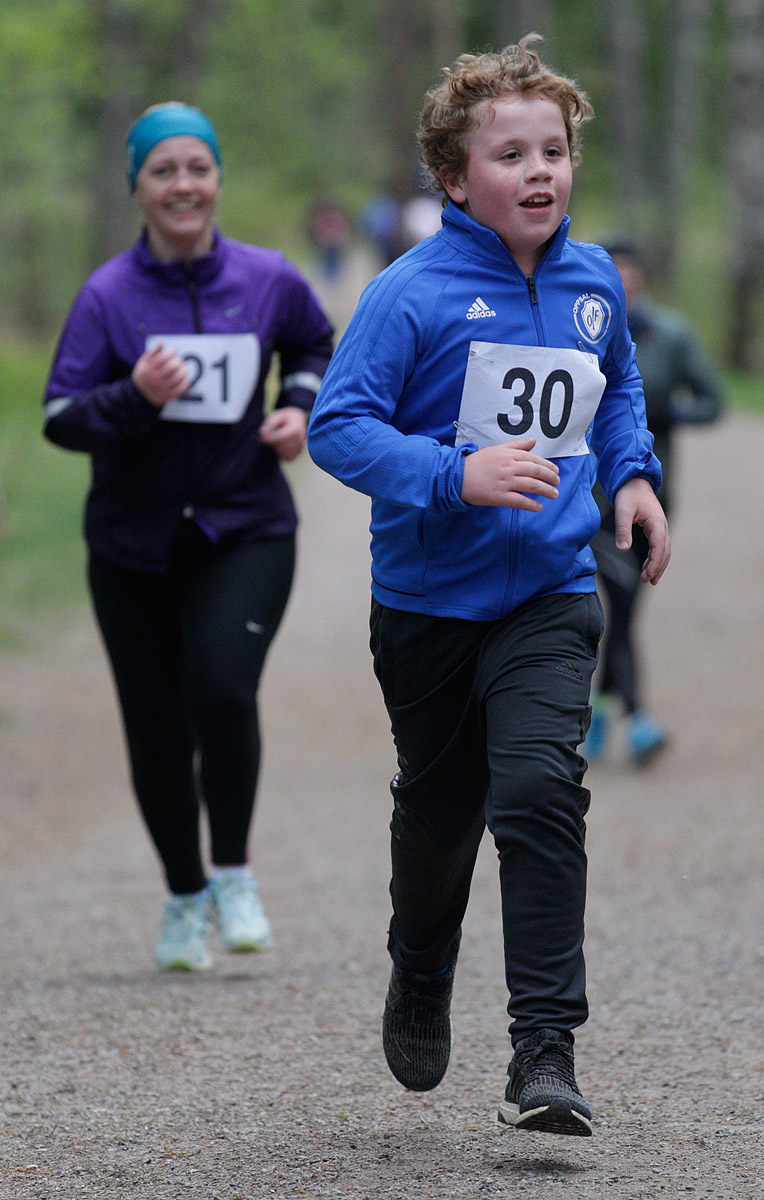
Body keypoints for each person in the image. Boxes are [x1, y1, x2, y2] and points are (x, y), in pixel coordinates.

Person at [308, 37, 670, 1136]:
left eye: (552, 150)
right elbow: (338, 427)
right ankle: (421, 968)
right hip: (427, 605)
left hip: (551, 591)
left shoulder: (591, 279)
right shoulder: (408, 294)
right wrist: (451, 475)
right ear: (455, 178)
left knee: (538, 790)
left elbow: (614, 388)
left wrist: (633, 475)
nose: (538, 171)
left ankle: (544, 1051)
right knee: (439, 812)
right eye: (509, 155)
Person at [43, 103, 333, 971]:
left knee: (221, 688)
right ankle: (183, 894)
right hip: (132, 545)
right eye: (163, 170)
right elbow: (60, 417)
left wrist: (297, 407)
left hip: (246, 526)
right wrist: (135, 395)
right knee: (156, 726)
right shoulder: (108, 295)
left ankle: (234, 872)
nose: (183, 185)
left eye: (197, 169)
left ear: (218, 180)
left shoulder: (268, 277)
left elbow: (315, 346)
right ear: (136, 187)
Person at [585, 237, 725, 766]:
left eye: (629, 268)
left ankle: (601, 711)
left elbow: (713, 401)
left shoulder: (672, 334)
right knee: (619, 601)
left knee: (625, 610)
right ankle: (639, 717)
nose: (622, 277)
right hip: (593, 497)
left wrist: (667, 413)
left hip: (655, 494)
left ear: (642, 275)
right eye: (613, 268)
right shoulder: (580, 326)